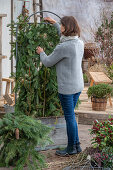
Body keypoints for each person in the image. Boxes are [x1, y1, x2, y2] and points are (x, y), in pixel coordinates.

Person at [36, 16, 84, 156]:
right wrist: (55, 23)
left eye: (62, 25)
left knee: (69, 117)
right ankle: (77, 145)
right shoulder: (79, 42)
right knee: (72, 116)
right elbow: (64, 37)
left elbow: (48, 62)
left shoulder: (63, 47)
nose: (61, 27)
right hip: (78, 85)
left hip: (67, 88)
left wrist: (41, 52)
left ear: (66, 28)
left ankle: (70, 148)